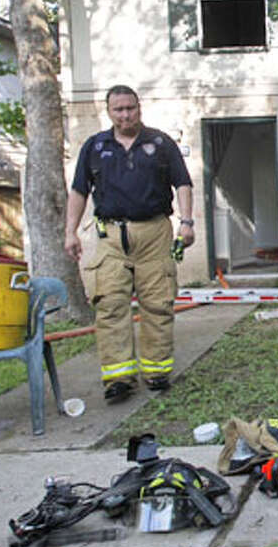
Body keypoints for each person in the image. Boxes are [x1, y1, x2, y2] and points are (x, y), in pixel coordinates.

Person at [65, 85, 195, 403]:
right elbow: (79, 191)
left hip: (154, 234)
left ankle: (156, 372)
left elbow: (183, 183)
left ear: (139, 108)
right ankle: (119, 378)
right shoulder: (95, 147)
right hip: (111, 237)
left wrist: (187, 222)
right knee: (110, 305)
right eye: (118, 110)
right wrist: (70, 232)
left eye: (130, 108)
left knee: (158, 304)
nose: (125, 115)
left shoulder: (161, 143)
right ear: (109, 112)